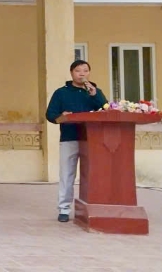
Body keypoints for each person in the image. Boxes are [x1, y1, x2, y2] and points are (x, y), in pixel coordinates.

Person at [45, 60, 107, 223]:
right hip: (69, 138)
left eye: (85, 71)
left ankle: (93, 206)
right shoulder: (61, 93)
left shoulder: (94, 91)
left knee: (93, 174)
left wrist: (95, 95)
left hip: (92, 139)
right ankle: (64, 209)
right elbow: (50, 114)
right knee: (67, 174)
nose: (82, 74)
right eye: (78, 71)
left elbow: (106, 109)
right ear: (72, 73)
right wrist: (62, 116)